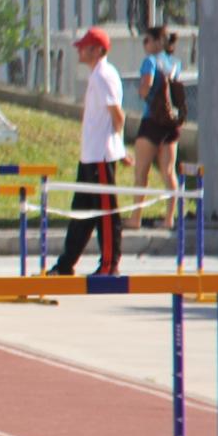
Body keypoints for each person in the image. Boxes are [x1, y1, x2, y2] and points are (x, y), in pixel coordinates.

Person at [48, 26, 125, 276]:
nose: (80, 51)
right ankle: (66, 264)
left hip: (101, 155)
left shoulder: (104, 76)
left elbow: (118, 116)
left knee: (105, 213)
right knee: (82, 213)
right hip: (90, 156)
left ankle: (109, 265)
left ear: (98, 50)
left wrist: (118, 148)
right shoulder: (96, 76)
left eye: (85, 47)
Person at [129, 24, 183, 231]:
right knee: (169, 172)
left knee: (141, 172)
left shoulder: (150, 61)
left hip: (152, 121)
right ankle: (169, 219)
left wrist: (142, 92)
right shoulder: (175, 63)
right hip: (171, 123)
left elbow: (146, 87)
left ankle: (136, 218)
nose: (145, 44)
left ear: (158, 42)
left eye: (147, 40)